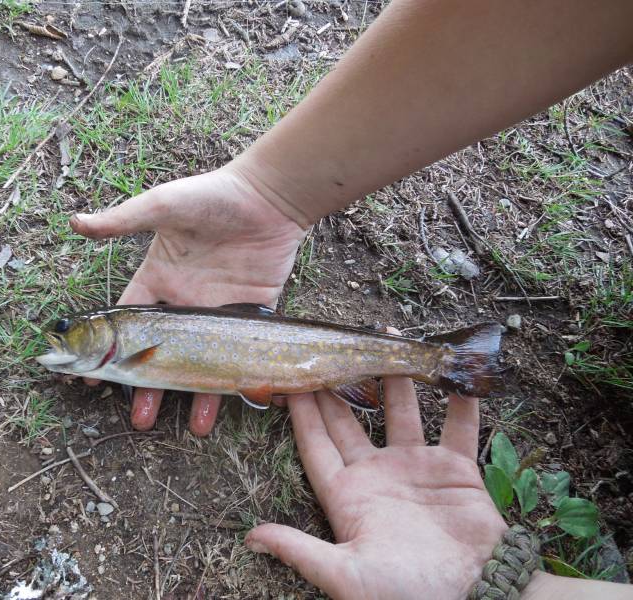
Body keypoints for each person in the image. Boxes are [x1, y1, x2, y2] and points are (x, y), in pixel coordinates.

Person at [66, 0, 633, 596]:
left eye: (71, 335)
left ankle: (442, 360)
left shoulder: (130, 333)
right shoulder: (129, 336)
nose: (65, 342)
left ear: (107, 337)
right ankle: (444, 360)